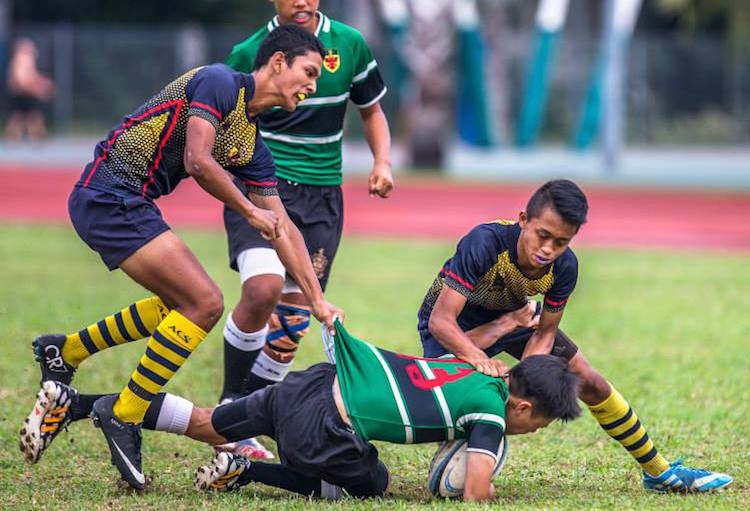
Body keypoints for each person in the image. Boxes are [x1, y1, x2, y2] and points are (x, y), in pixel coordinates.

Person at [29, 25, 341, 490]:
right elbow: (198, 159)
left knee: (187, 305)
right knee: (205, 302)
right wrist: (250, 210)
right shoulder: (219, 82)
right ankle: (124, 414)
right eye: (309, 72)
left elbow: (286, 229)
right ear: (278, 62)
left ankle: (67, 349)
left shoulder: (252, 145)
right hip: (108, 192)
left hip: (127, 201)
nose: (314, 85)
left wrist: (317, 300)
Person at [21, 320, 581, 502]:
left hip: (311, 385)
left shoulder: (473, 369)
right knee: (376, 483)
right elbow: (476, 491)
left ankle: (76, 404)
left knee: (209, 423)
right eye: (538, 423)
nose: (531, 431)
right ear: (524, 404)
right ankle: (249, 469)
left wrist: (505, 327)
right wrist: (482, 461)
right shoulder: (489, 412)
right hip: (327, 427)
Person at [417, 178, 732, 493]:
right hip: (455, 328)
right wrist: (481, 359)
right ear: (523, 220)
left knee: (589, 380)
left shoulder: (564, 267)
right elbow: (441, 321)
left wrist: (530, 380)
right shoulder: (486, 242)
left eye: (561, 242)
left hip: (520, 318)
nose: (547, 250)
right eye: (543, 236)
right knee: (468, 396)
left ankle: (659, 473)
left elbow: (546, 331)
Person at [217, 0, 393, 460]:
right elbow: (221, 119)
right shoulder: (249, 52)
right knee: (262, 289)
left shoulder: (350, 44)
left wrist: (382, 162)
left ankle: (246, 423)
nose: (302, 2)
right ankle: (230, 402)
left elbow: (370, 109)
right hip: (262, 187)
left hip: (322, 198)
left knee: (293, 322)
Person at [4, 38, 55, 140]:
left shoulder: (27, 60)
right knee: (22, 117)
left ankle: (35, 138)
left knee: (28, 116)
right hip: (21, 94)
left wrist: (41, 83)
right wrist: (37, 89)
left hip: (26, 93)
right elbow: (20, 81)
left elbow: (32, 76)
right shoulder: (20, 59)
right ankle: (31, 138)